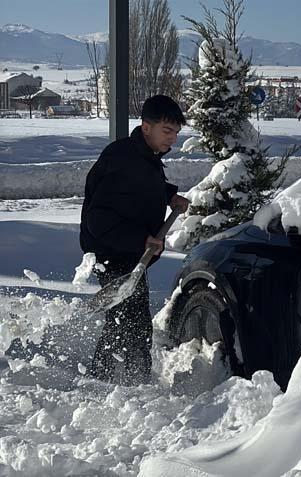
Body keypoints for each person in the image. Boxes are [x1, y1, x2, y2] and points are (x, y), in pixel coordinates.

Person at [80, 95, 190, 385]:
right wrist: (142, 239)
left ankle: (104, 378)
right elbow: (99, 218)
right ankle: (133, 383)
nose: (173, 139)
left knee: (124, 321)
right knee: (133, 324)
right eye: (167, 131)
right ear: (146, 127)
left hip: (128, 252)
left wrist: (169, 195)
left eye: (176, 133)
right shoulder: (122, 159)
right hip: (112, 253)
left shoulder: (141, 157)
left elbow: (141, 188)